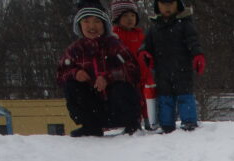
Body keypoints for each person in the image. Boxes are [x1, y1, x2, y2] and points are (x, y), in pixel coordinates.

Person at [57, 0, 141, 137]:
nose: (92, 26)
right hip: (93, 106)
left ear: (104, 24)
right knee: (71, 86)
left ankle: (131, 124)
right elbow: (60, 74)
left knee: (123, 87)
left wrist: (109, 78)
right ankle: (90, 126)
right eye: (86, 21)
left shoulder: (114, 44)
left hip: (117, 106)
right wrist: (75, 73)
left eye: (97, 21)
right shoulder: (74, 50)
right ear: (79, 25)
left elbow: (133, 69)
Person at [138, 0, 205, 133]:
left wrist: (197, 55)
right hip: (162, 70)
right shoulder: (154, 27)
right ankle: (166, 125)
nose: (167, 7)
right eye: (163, 4)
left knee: (185, 97)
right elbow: (146, 44)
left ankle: (189, 122)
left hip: (182, 69)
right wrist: (144, 52)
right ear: (158, 6)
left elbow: (193, 41)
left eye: (171, 3)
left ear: (177, 5)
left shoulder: (185, 24)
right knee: (165, 99)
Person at [110, 0, 153, 131]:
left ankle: (148, 120)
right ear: (117, 18)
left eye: (132, 16)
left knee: (146, 99)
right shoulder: (115, 36)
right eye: (125, 16)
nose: (130, 19)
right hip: (126, 76)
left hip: (143, 73)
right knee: (132, 100)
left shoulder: (139, 34)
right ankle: (134, 122)